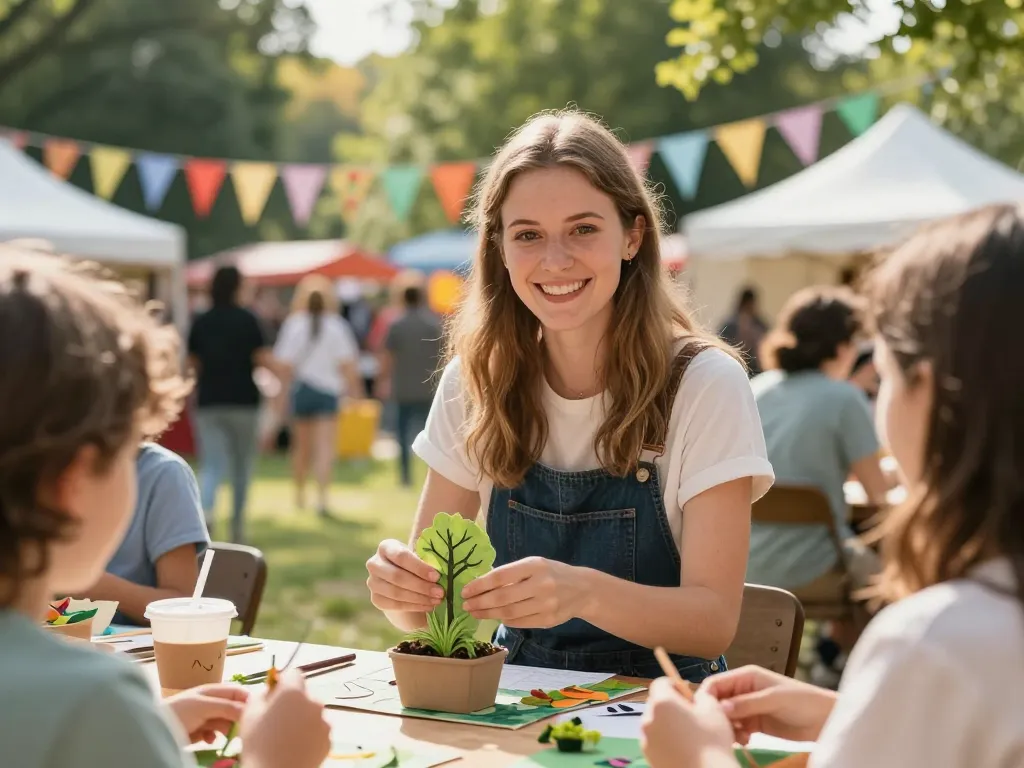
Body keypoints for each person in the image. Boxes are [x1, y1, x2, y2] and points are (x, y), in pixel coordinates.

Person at [365, 111, 774, 682]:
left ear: (632, 237)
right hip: (516, 699)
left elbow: (713, 621)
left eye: (583, 229)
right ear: (499, 249)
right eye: (528, 235)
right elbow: (423, 611)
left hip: (663, 705)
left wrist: (582, 592)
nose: (555, 260)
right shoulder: (475, 381)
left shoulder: (705, 384)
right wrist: (399, 589)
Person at [639, 203, 1024, 768]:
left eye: (884, 374)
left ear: (927, 389)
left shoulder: (935, 642)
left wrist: (697, 756)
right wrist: (853, 712)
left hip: (759, 570)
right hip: (817, 563)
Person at [0, 246, 331, 768]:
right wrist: (275, 760)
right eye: (129, 446)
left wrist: (146, 728)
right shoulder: (93, 699)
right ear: (72, 483)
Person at [188, 265, 272, 543]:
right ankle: (237, 529)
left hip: (209, 402)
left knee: (211, 464)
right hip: (244, 401)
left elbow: (191, 365)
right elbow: (262, 359)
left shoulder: (201, 320)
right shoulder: (248, 319)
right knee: (241, 468)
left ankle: (206, 515)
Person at [84, 442, 209, 626]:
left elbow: (182, 608)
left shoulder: (163, 474)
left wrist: (87, 582)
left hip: (133, 640)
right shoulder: (48, 467)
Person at [271, 274, 363, 516]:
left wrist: (280, 397)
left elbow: (283, 364)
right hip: (327, 392)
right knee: (324, 447)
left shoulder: (294, 324)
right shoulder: (337, 325)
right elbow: (348, 365)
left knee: (301, 447)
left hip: (302, 390)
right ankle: (322, 498)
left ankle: (299, 494)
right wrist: (355, 393)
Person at [380, 285, 443, 487]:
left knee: (402, 434)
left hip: (403, 387)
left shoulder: (396, 325)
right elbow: (443, 356)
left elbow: (387, 357)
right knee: (433, 437)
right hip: (428, 387)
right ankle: (432, 477)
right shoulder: (433, 324)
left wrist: (383, 380)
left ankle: (405, 476)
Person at [719, 287, 769, 375]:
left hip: (755, 370)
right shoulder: (731, 325)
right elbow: (723, 347)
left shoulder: (759, 324)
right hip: (735, 367)